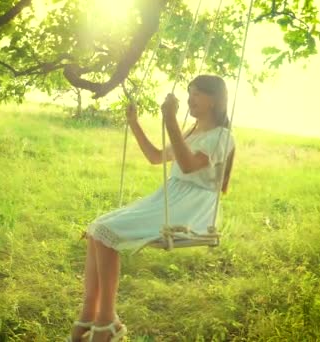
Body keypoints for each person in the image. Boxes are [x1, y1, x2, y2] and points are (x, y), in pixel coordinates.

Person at [68, 75, 236, 342]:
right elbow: (155, 157)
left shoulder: (222, 136)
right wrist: (134, 124)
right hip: (169, 198)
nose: (190, 99)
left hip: (191, 207)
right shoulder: (192, 132)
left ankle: (107, 320)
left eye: (198, 94)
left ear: (215, 99)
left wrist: (169, 120)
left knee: (105, 232)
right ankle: (90, 313)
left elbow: (190, 165)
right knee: (97, 229)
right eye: (189, 92)